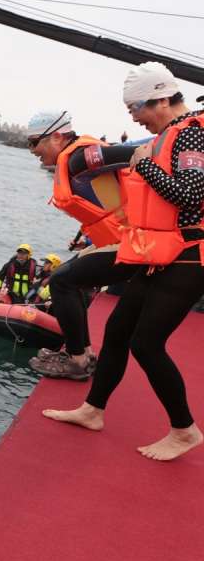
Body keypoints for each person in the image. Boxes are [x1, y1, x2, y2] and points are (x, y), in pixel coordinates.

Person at [43, 62, 204, 461]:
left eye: (137, 108)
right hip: (161, 253)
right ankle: (93, 410)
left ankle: (184, 431)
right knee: (117, 331)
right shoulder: (169, 135)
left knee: (147, 343)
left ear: (163, 98)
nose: (133, 116)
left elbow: (190, 195)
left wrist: (143, 165)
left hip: (189, 257)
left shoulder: (193, 135)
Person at [25, 110, 139, 380]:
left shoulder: (80, 158)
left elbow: (138, 151)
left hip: (133, 241)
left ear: (56, 136)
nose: (31, 150)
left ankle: (76, 361)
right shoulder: (75, 160)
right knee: (65, 277)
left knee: (62, 281)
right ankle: (84, 354)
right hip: (116, 238)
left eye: (33, 142)